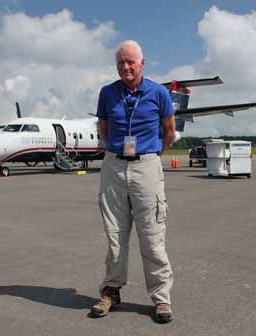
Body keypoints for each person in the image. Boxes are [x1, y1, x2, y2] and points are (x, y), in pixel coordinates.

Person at [91, 40, 176, 323]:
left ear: (142, 63)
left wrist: (152, 154)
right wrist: (114, 150)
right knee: (115, 236)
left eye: (130, 62)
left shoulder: (159, 92)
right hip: (113, 166)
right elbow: (104, 127)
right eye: (120, 63)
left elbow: (169, 131)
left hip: (146, 166)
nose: (125, 67)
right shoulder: (107, 93)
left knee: (152, 236)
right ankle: (111, 291)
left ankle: (161, 299)